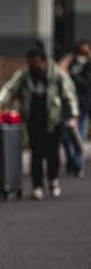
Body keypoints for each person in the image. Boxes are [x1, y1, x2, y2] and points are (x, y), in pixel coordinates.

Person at [0, 46, 79, 200]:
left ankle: (53, 180)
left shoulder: (57, 75)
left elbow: (69, 94)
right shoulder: (25, 75)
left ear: (43, 61)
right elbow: (10, 88)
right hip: (34, 120)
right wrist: (0, 102)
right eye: (30, 63)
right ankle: (37, 186)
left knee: (52, 153)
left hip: (53, 120)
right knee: (37, 154)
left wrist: (73, 114)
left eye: (34, 62)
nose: (32, 66)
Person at [58, 40, 91, 177]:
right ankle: (71, 161)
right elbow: (58, 73)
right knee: (65, 137)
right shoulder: (69, 64)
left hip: (82, 108)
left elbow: (85, 84)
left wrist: (72, 76)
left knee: (79, 137)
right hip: (67, 108)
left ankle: (78, 166)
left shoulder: (89, 67)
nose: (82, 56)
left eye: (85, 52)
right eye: (80, 52)